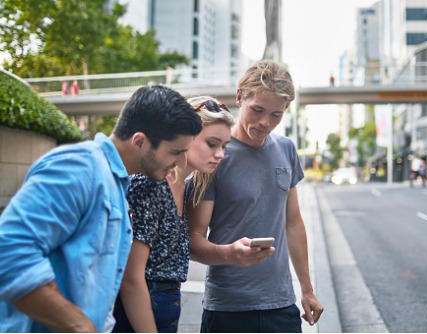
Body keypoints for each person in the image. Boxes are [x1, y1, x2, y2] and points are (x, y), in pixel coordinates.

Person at [0, 84, 202, 332]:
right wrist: (81, 326)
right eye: (175, 152)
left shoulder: (116, 182)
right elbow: (9, 254)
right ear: (140, 141)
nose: (180, 162)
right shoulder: (79, 168)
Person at [188, 60, 324, 333]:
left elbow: (293, 222)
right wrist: (230, 254)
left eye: (276, 114)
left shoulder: (286, 149)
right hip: (228, 309)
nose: (265, 123)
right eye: (257, 110)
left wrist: (307, 290)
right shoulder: (215, 156)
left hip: (281, 306)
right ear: (240, 97)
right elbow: (193, 240)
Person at [112, 96, 234, 333]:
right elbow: (131, 279)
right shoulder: (150, 183)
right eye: (212, 143)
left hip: (166, 305)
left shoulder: (186, 187)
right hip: (139, 311)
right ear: (186, 136)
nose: (220, 154)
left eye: (224, 146)